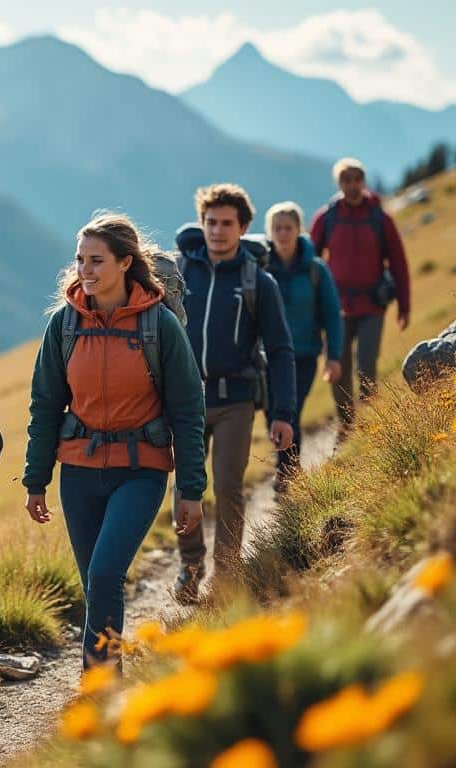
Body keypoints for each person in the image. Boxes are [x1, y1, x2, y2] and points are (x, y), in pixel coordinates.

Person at [22, 212, 207, 667]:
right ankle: (110, 672)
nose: (85, 269)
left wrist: (191, 489)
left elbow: (187, 411)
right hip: (79, 474)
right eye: (81, 259)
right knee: (95, 584)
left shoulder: (158, 325)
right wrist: (35, 480)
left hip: (140, 470)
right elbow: (45, 406)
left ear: (126, 263)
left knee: (105, 574)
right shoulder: (64, 326)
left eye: (97, 260)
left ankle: (98, 685)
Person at [174, 184, 296, 604]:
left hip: (235, 401)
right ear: (202, 223)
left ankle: (227, 575)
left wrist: (284, 414)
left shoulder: (257, 282)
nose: (218, 231)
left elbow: (280, 351)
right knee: (187, 486)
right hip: (185, 402)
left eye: (227, 223)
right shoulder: (180, 274)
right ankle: (189, 569)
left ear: (243, 228)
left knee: (227, 486)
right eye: (211, 222)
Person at [309, 158, 411, 435]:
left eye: (357, 179)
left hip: (371, 306)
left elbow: (398, 263)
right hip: (335, 308)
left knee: (366, 366)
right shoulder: (326, 218)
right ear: (338, 183)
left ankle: (369, 426)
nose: (352, 185)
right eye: (346, 180)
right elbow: (309, 262)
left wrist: (405, 305)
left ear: (363, 182)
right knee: (337, 367)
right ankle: (347, 424)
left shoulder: (380, 218)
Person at [263, 202, 344, 487]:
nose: (282, 233)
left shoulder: (315, 270)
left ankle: (287, 472)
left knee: (290, 411)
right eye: (277, 228)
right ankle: (287, 466)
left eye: (288, 228)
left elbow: (332, 315)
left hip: (304, 355)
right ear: (269, 232)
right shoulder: (260, 268)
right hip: (265, 358)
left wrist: (334, 356)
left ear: (299, 230)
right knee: (272, 413)